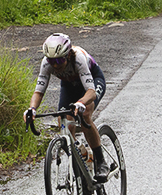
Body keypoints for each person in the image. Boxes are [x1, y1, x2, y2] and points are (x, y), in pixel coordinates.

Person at [24, 33, 110, 181]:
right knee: (63, 120)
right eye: (52, 61)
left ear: (68, 54)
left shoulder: (79, 59)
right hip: (70, 85)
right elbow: (39, 92)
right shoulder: (46, 64)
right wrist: (32, 109)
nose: (55, 65)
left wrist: (81, 103)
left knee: (85, 114)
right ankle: (79, 154)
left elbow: (91, 92)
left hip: (92, 82)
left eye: (59, 60)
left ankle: (101, 161)